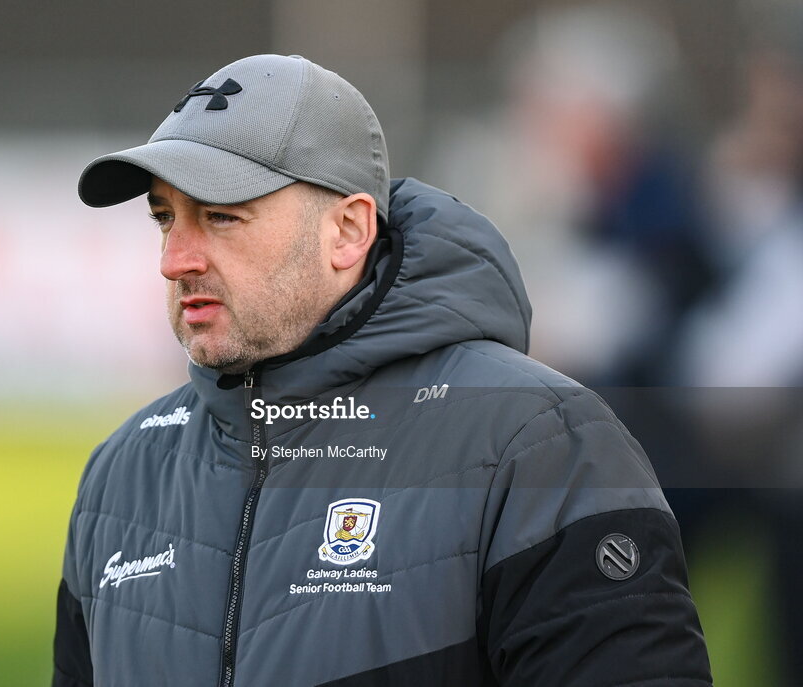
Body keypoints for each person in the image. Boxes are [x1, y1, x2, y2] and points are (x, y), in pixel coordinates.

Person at [52, 54, 712, 686]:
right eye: (166, 218)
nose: (175, 260)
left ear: (347, 232)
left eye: (222, 216)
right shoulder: (122, 473)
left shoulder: (540, 445)